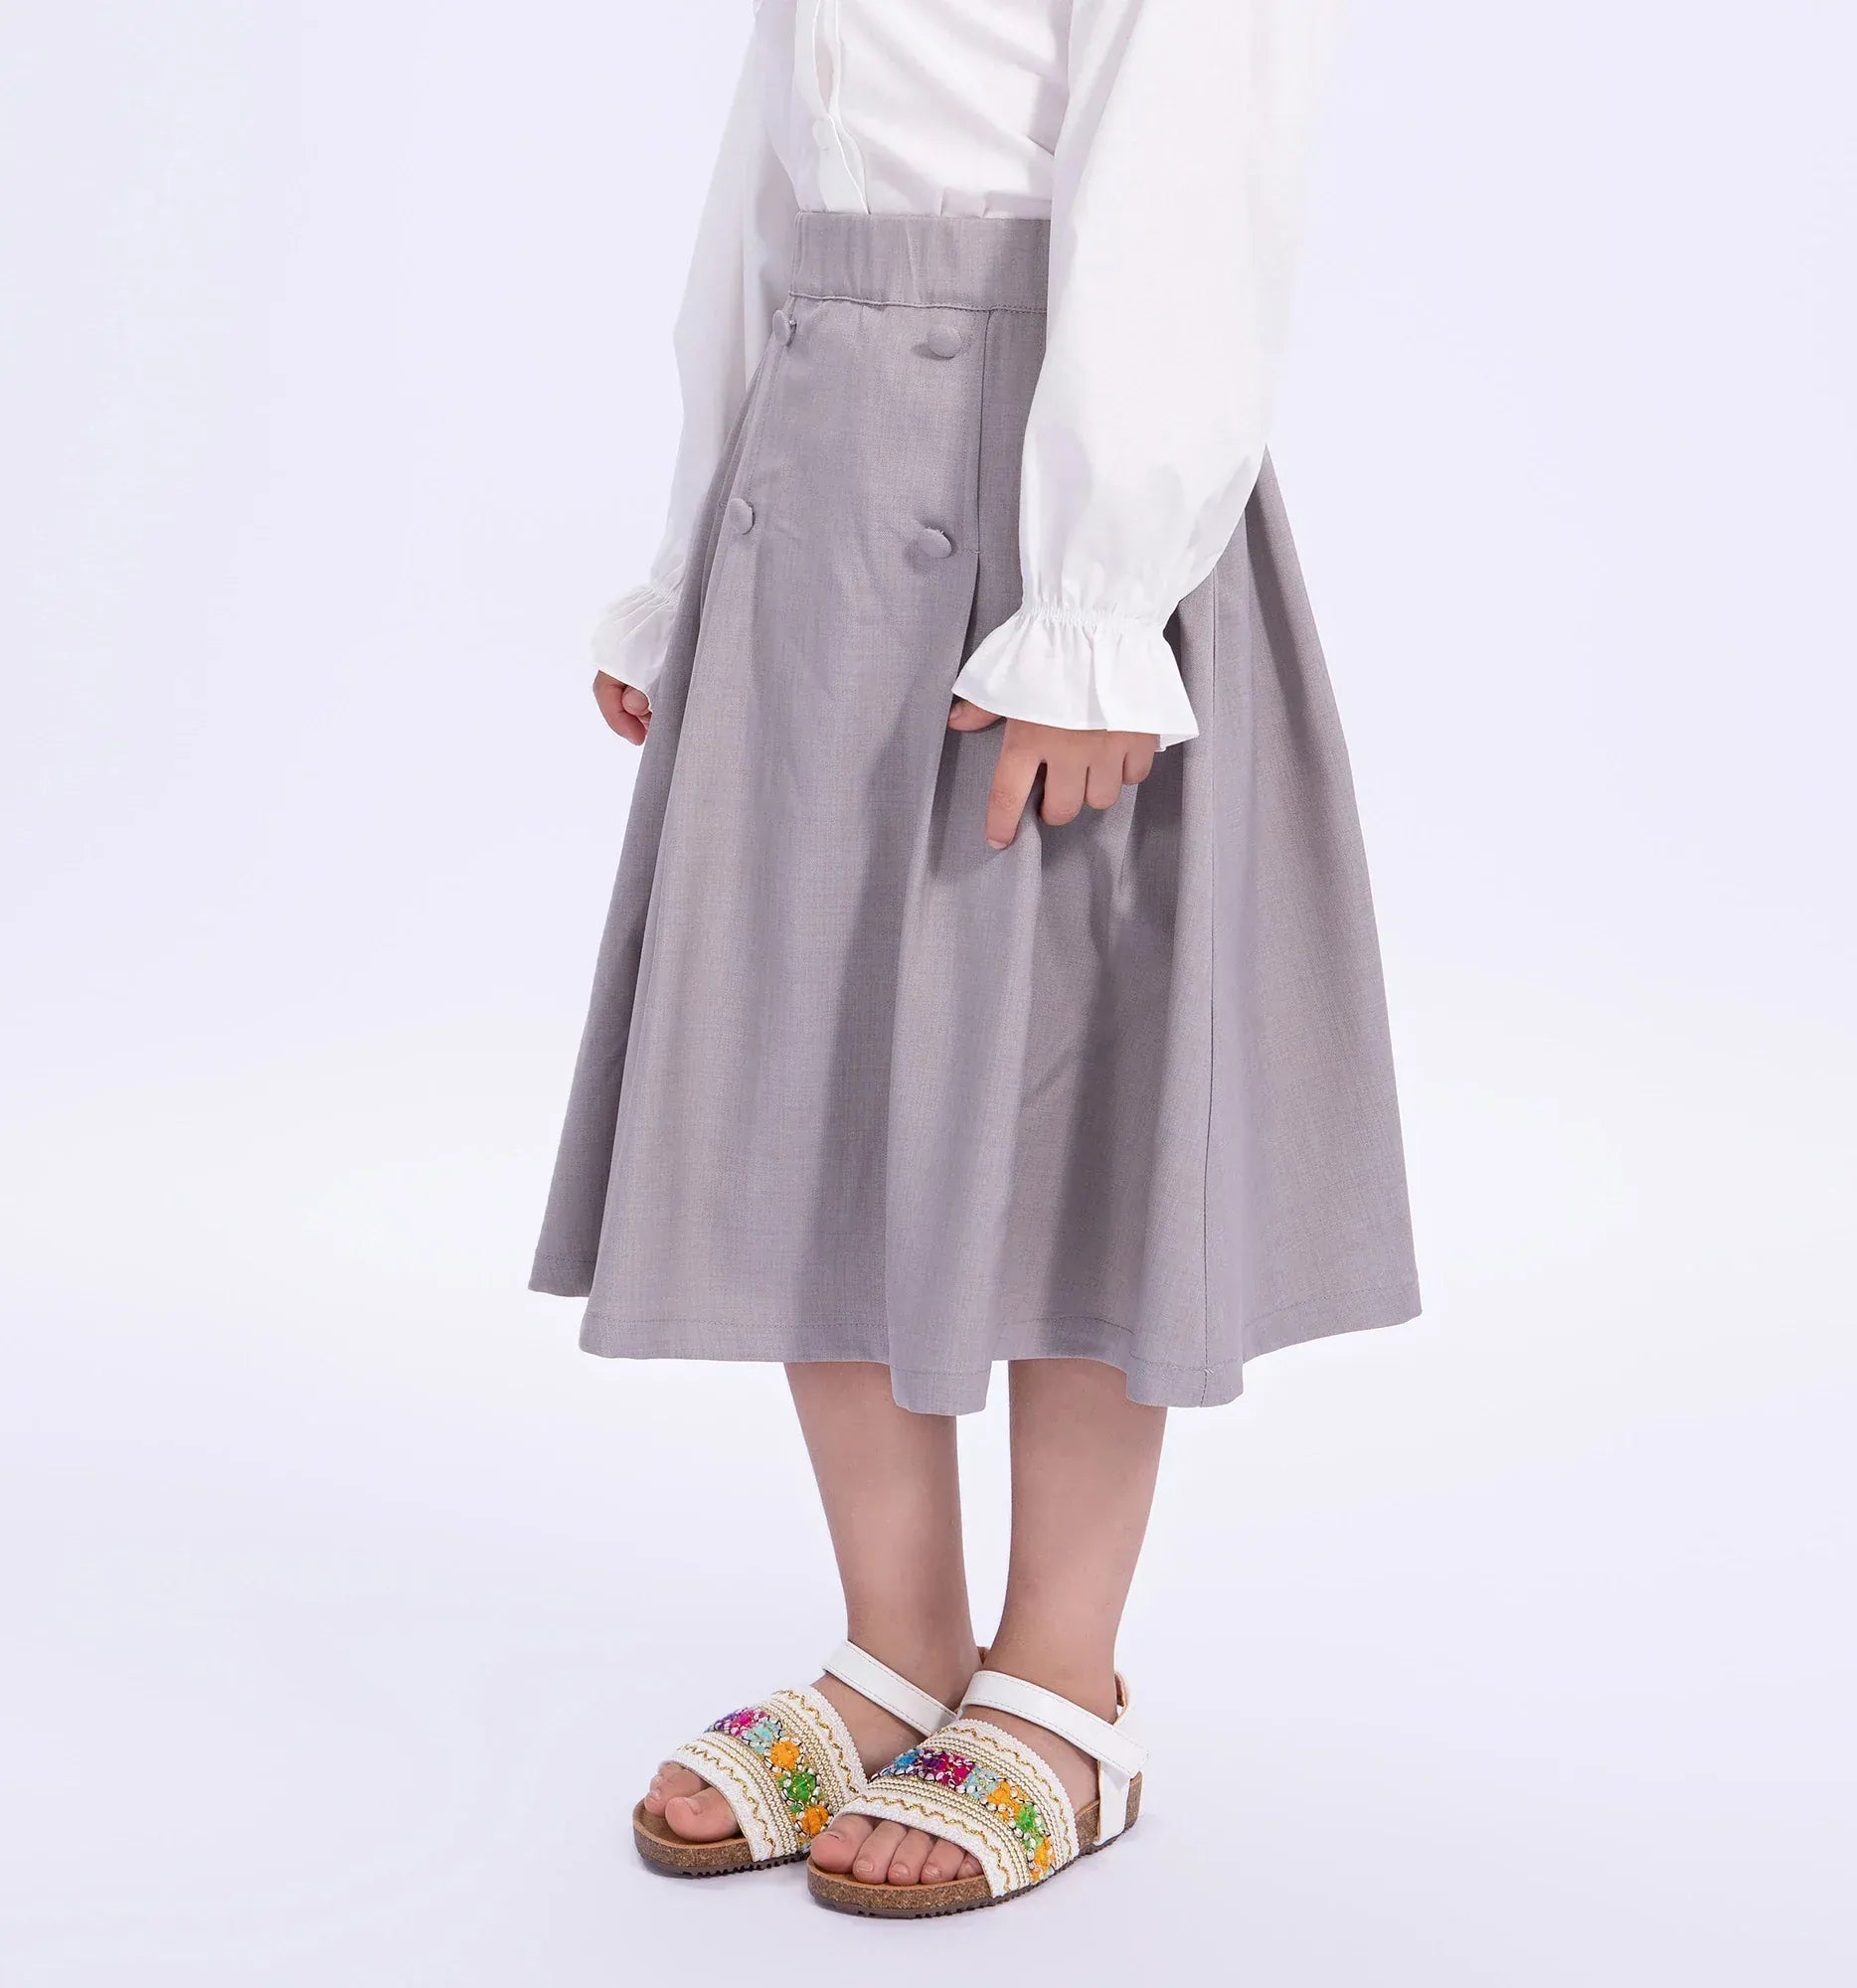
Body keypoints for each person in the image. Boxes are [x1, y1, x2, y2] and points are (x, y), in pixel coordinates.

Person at [530, 0, 1417, 1917]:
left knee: (1068, 1075)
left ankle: (1064, 1682)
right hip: (815, 475)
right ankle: (899, 1644)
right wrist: (687, 560)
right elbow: (772, 180)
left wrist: (1101, 604)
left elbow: (1193, 168)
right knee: (812, 1053)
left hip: (1052, 482)